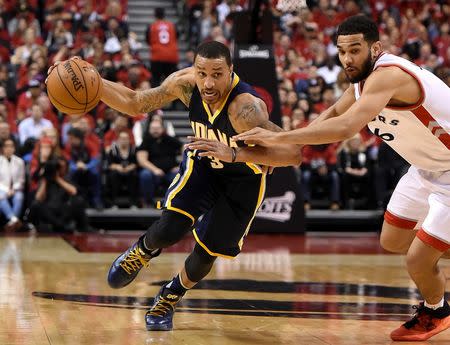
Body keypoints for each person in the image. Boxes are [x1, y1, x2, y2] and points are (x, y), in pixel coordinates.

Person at [48, 41, 301, 331]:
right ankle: (141, 251)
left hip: (243, 179)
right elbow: (134, 102)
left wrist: (233, 153)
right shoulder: (185, 84)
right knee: (170, 228)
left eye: (217, 74)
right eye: (202, 72)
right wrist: (90, 78)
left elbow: (293, 154)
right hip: (205, 164)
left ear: (231, 71)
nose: (208, 82)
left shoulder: (246, 109)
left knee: (206, 254)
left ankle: (169, 296)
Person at [232, 15, 450, 341]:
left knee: (418, 260)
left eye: (355, 50)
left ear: (375, 48)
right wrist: (291, 148)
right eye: (342, 51)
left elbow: (347, 127)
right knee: (392, 240)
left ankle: (437, 310)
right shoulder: (362, 83)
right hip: (423, 168)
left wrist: (278, 138)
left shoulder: (388, 76)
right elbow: (333, 113)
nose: (347, 58)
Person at [137, 119, 181, 207]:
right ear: (149, 130)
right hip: (152, 171)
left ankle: (174, 203)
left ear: (162, 129)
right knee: (145, 175)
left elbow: (186, 149)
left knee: (179, 174)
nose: (155, 130)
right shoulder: (146, 141)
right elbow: (141, 160)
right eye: (153, 128)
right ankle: (148, 201)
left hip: (170, 171)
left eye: (157, 128)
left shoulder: (170, 140)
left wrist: (180, 165)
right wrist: (155, 170)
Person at [146, 7, 179, 87]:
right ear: (164, 15)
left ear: (155, 15)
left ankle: (155, 99)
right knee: (172, 81)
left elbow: (148, 40)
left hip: (157, 56)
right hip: (171, 56)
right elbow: (177, 37)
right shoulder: (172, 26)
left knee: (156, 80)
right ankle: (174, 99)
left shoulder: (151, 26)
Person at [0, 138, 25, 231]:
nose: (9, 148)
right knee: (1, 196)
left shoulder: (20, 162)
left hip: (16, 188)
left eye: (11, 146)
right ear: (3, 148)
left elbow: (21, 180)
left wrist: (14, 189)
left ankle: (11, 223)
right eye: (6, 146)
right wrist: (7, 190)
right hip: (2, 188)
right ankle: (14, 220)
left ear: (14, 148)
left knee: (19, 197)